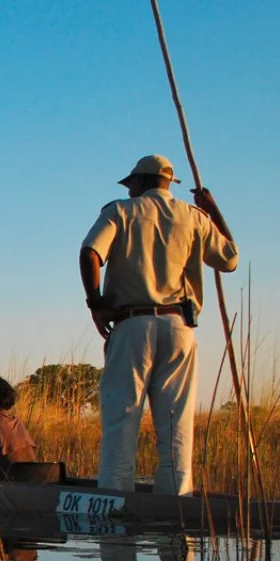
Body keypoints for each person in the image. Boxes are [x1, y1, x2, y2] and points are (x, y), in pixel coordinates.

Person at [80, 154, 238, 495]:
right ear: (168, 183)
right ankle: (176, 516)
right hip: (179, 327)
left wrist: (96, 304)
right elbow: (230, 259)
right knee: (176, 425)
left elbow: (90, 252)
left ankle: (115, 511)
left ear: (139, 182)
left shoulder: (121, 211)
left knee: (121, 420)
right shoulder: (194, 217)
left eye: (132, 183)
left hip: (132, 324)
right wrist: (213, 210)